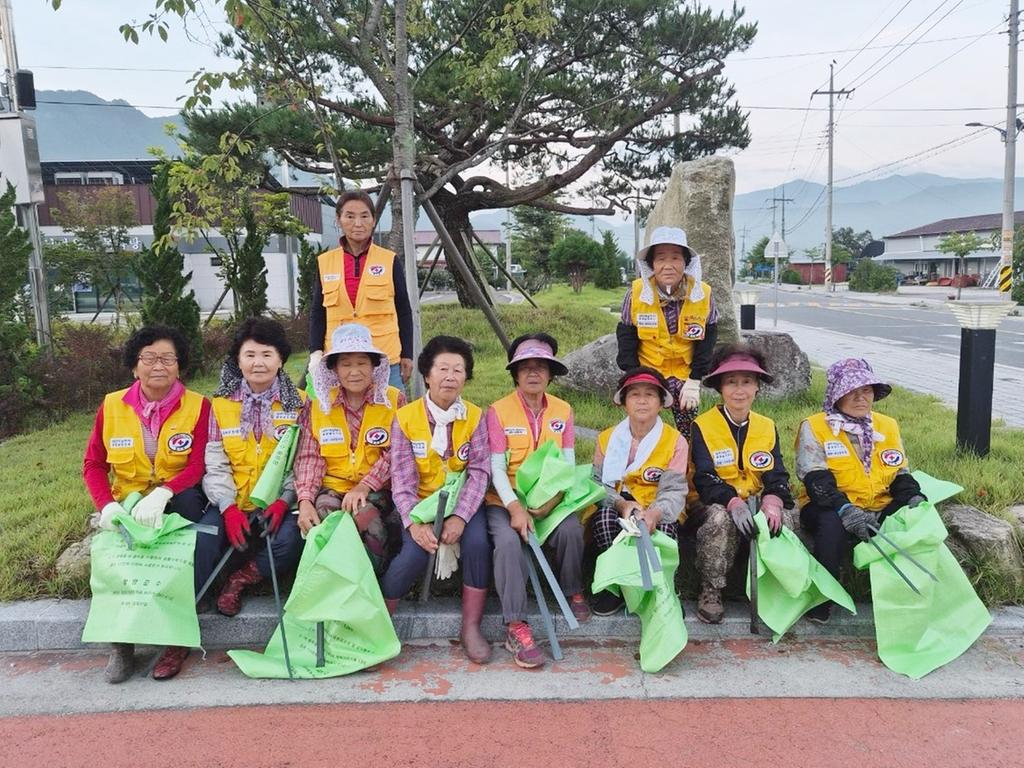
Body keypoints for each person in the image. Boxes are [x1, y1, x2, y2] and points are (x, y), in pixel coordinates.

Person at [82, 325, 212, 682]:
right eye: (149, 358)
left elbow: (199, 464)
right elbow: (94, 464)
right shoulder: (111, 406)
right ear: (134, 366)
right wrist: (107, 505)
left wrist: (165, 491)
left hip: (176, 498)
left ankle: (174, 635)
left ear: (179, 366)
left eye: (168, 358)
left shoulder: (199, 406)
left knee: (182, 529)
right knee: (117, 554)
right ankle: (121, 645)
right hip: (128, 500)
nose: (159, 366)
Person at [381, 335, 493, 663]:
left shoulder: (474, 416)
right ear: (426, 375)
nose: (450, 376)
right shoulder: (406, 418)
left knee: (477, 545)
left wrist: (459, 517)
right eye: (442, 368)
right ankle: (381, 623)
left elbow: (479, 472)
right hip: (420, 506)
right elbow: (401, 479)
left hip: (463, 503)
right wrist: (413, 524)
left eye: (458, 370)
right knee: (413, 555)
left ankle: (470, 627)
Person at [483, 333, 589, 669]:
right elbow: (496, 468)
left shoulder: (563, 410)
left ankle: (573, 591)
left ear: (550, 374)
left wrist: (553, 500)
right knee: (508, 544)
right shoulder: (497, 411)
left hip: (549, 496)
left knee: (571, 529)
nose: (533, 374)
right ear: (515, 374)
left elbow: (568, 462)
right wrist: (514, 506)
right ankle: (516, 624)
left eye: (540, 368)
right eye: (525, 368)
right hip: (503, 500)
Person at [795, 358, 926, 623]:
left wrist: (912, 495)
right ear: (836, 394)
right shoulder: (816, 426)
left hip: (878, 501)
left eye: (866, 390)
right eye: (851, 391)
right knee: (831, 526)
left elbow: (899, 471)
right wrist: (846, 509)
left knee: (915, 517)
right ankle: (823, 596)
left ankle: (911, 598)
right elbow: (815, 478)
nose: (860, 398)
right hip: (830, 503)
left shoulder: (887, 426)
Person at [202, 318, 306, 619]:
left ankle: (240, 579)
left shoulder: (300, 404)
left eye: (267, 354)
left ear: (280, 359)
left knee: (291, 540)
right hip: (232, 500)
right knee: (206, 539)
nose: (258, 363)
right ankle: (200, 598)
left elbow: (303, 460)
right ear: (238, 359)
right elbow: (215, 463)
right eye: (250, 355)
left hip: (280, 502)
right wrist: (228, 507)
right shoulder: (220, 405)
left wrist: (284, 500)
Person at [687, 344, 795, 624]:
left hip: (755, 498)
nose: (739, 390)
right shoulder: (702, 425)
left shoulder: (767, 425)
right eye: (731, 382)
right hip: (711, 502)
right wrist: (732, 501)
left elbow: (777, 473)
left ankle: (775, 590)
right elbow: (704, 477)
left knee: (782, 518)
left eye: (747, 382)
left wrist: (772, 499)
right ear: (720, 388)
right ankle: (711, 590)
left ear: (757, 387)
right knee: (720, 519)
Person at [293, 323, 406, 572]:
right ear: (333, 369)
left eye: (362, 362)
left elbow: (395, 454)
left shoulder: (393, 399)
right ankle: (332, 587)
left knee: (365, 517)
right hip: (332, 486)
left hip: (376, 488)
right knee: (324, 518)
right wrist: (305, 500)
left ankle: (370, 586)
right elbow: (310, 457)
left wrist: (364, 486)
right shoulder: (319, 404)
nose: (354, 371)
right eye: (345, 364)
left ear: (374, 366)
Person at [589, 367, 688, 616]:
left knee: (664, 527)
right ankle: (615, 586)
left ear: (661, 402)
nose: (642, 401)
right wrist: (621, 505)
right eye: (634, 395)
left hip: (656, 507)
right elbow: (599, 484)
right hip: (620, 505)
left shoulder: (675, 441)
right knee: (602, 520)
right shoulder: (606, 438)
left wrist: (654, 512)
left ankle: (662, 587)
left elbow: (674, 490)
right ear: (624, 402)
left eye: (650, 395)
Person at [616, 226, 718, 441]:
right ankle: (641, 467)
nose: (668, 266)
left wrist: (695, 380)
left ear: (686, 262)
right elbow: (626, 339)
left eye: (675, 258)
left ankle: (686, 468)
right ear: (652, 264)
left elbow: (707, 341)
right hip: (648, 370)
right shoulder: (636, 294)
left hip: (685, 374)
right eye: (661, 259)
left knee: (689, 430)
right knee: (642, 427)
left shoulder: (703, 294)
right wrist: (636, 376)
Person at [308, 189, 414, 389]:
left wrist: (407, 354)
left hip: (385, 359)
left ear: (373, 220)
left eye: (364, 216)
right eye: (350, 216)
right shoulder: (324, 262)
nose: (358, 223)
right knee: (339, 417)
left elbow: (404, 310)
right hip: (340, 361)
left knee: (389, 417)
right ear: (338, 220)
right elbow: (317, 312)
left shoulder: (389, 260)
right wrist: (315, 352)